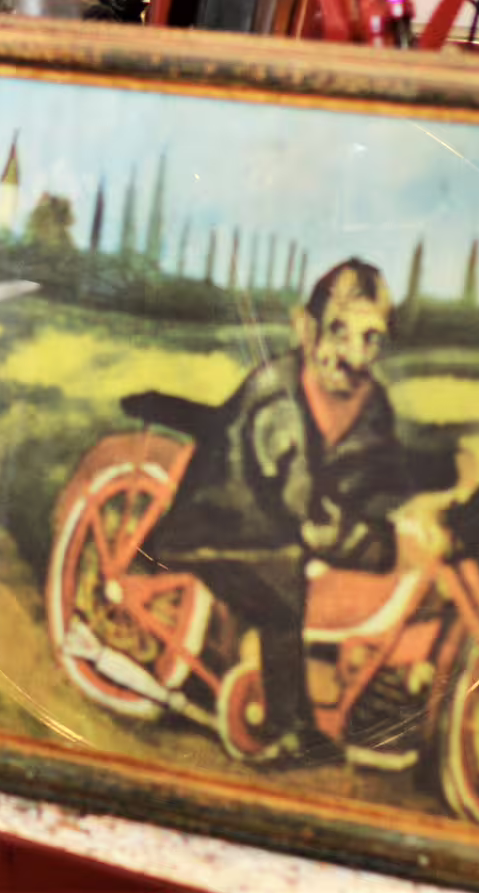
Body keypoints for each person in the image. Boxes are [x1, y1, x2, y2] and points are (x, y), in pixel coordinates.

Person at [137, 258, 461, 762]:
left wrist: (447, 473)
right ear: (305, 327)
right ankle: (288, 729)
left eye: (371, 338)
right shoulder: (277, 399)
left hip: (284, 529)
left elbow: (384, 467)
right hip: (223, 528)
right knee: (281, 592)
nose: (355, 355)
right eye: (339, 331)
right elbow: (307, 511)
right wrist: (387, 548)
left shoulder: (368, 401)